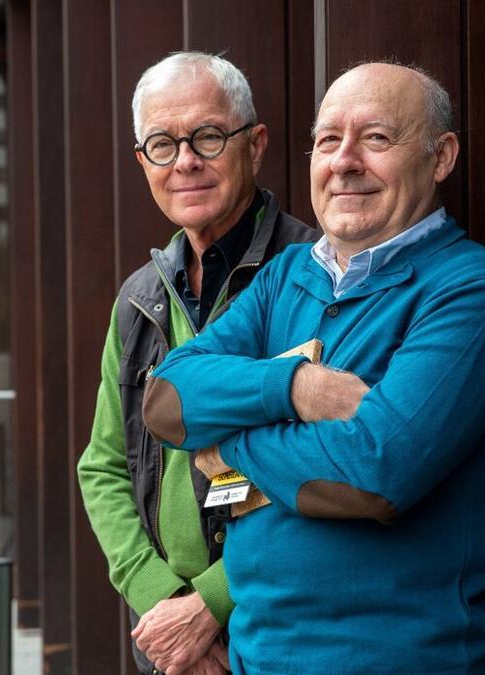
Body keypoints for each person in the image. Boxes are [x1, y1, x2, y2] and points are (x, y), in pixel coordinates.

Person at [143, 62, 485, 673]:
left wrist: (227, 445)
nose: (345, 160)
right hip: (257, 656)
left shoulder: (475, 291)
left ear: (441, 157)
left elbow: (372, 475)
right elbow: (168, 398)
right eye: (328, 140)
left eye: (376, 138)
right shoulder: (285, 275)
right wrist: (294, 386)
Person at [76, 51, 316, 675]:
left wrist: (211, 604)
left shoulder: (316, 276)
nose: (185, 160)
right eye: (162, 143)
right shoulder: (138, 299)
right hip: (169, 639)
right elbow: (103, 468)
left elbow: (329, 469)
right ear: (142, 162)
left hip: (278, 621)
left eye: (208, 136)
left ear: (255, 144)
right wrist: (164, 601)